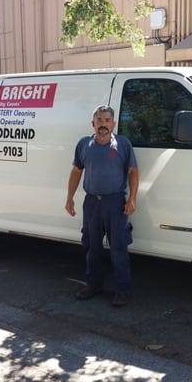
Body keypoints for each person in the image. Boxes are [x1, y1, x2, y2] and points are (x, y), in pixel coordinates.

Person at [65, 105, 139, 307]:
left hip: (115, 203)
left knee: (118, 248)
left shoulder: (123, 145)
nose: (103, 124)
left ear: (113, 124)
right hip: (91, 204)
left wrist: (132, 199)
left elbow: (133, 172)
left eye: (107, 120)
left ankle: (123, 290)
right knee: (92, 247)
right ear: (93, 123)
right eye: (99, 120)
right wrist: (69, 197)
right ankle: (93, 285)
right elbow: (76, 172)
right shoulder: (83, 145)